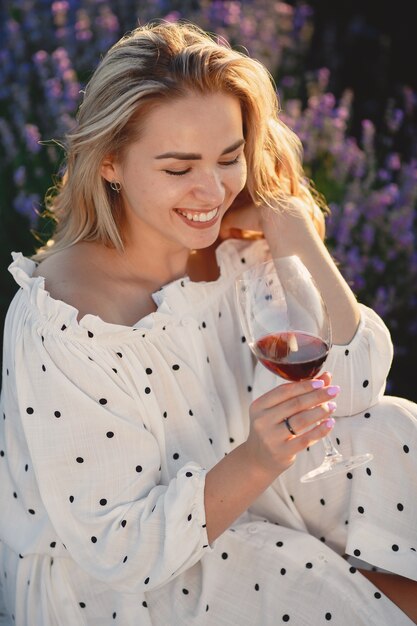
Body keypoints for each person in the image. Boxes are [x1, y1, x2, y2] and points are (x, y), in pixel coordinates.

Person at [0, 20, 416, 626]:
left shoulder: (238, 249)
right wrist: (256, 459)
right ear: (110, 162)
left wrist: (299, 237)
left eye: (229, 158)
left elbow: (353, 388)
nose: (212, 190)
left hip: (249, 481)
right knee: (311, 586)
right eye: (178, 168)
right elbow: (118, 548)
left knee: (396, 432)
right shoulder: (67, 319)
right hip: (128, 580)